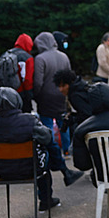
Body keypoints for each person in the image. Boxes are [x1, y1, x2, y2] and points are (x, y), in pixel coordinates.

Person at [33, 32, 83, 186]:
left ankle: (52, 153)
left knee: (47, 126)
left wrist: (35, 95)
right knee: (64, 124)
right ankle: (66, 150)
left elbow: (38, 81)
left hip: (46, 98)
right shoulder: (64, 56)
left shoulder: (40, 59)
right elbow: (69, 76)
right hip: (62, 96)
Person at [0, 87, 58, 211]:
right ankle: (46, 200)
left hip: (2, 170)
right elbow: (47, 138)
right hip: (30, 169)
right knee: (44, 158)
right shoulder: (29, 120)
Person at [53, 70, 92, 139]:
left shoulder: (75, 95)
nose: (61, 89)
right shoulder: (81, 87)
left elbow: (86, 114)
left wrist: (73, 119)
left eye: (63, 86)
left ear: (70, 83)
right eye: (59, 86)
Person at [8, 33, 35, 113]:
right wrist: (29, 96)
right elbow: (27, 80)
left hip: (7, 94)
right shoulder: (27, 58)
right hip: (21, 95)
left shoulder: (8, 54)